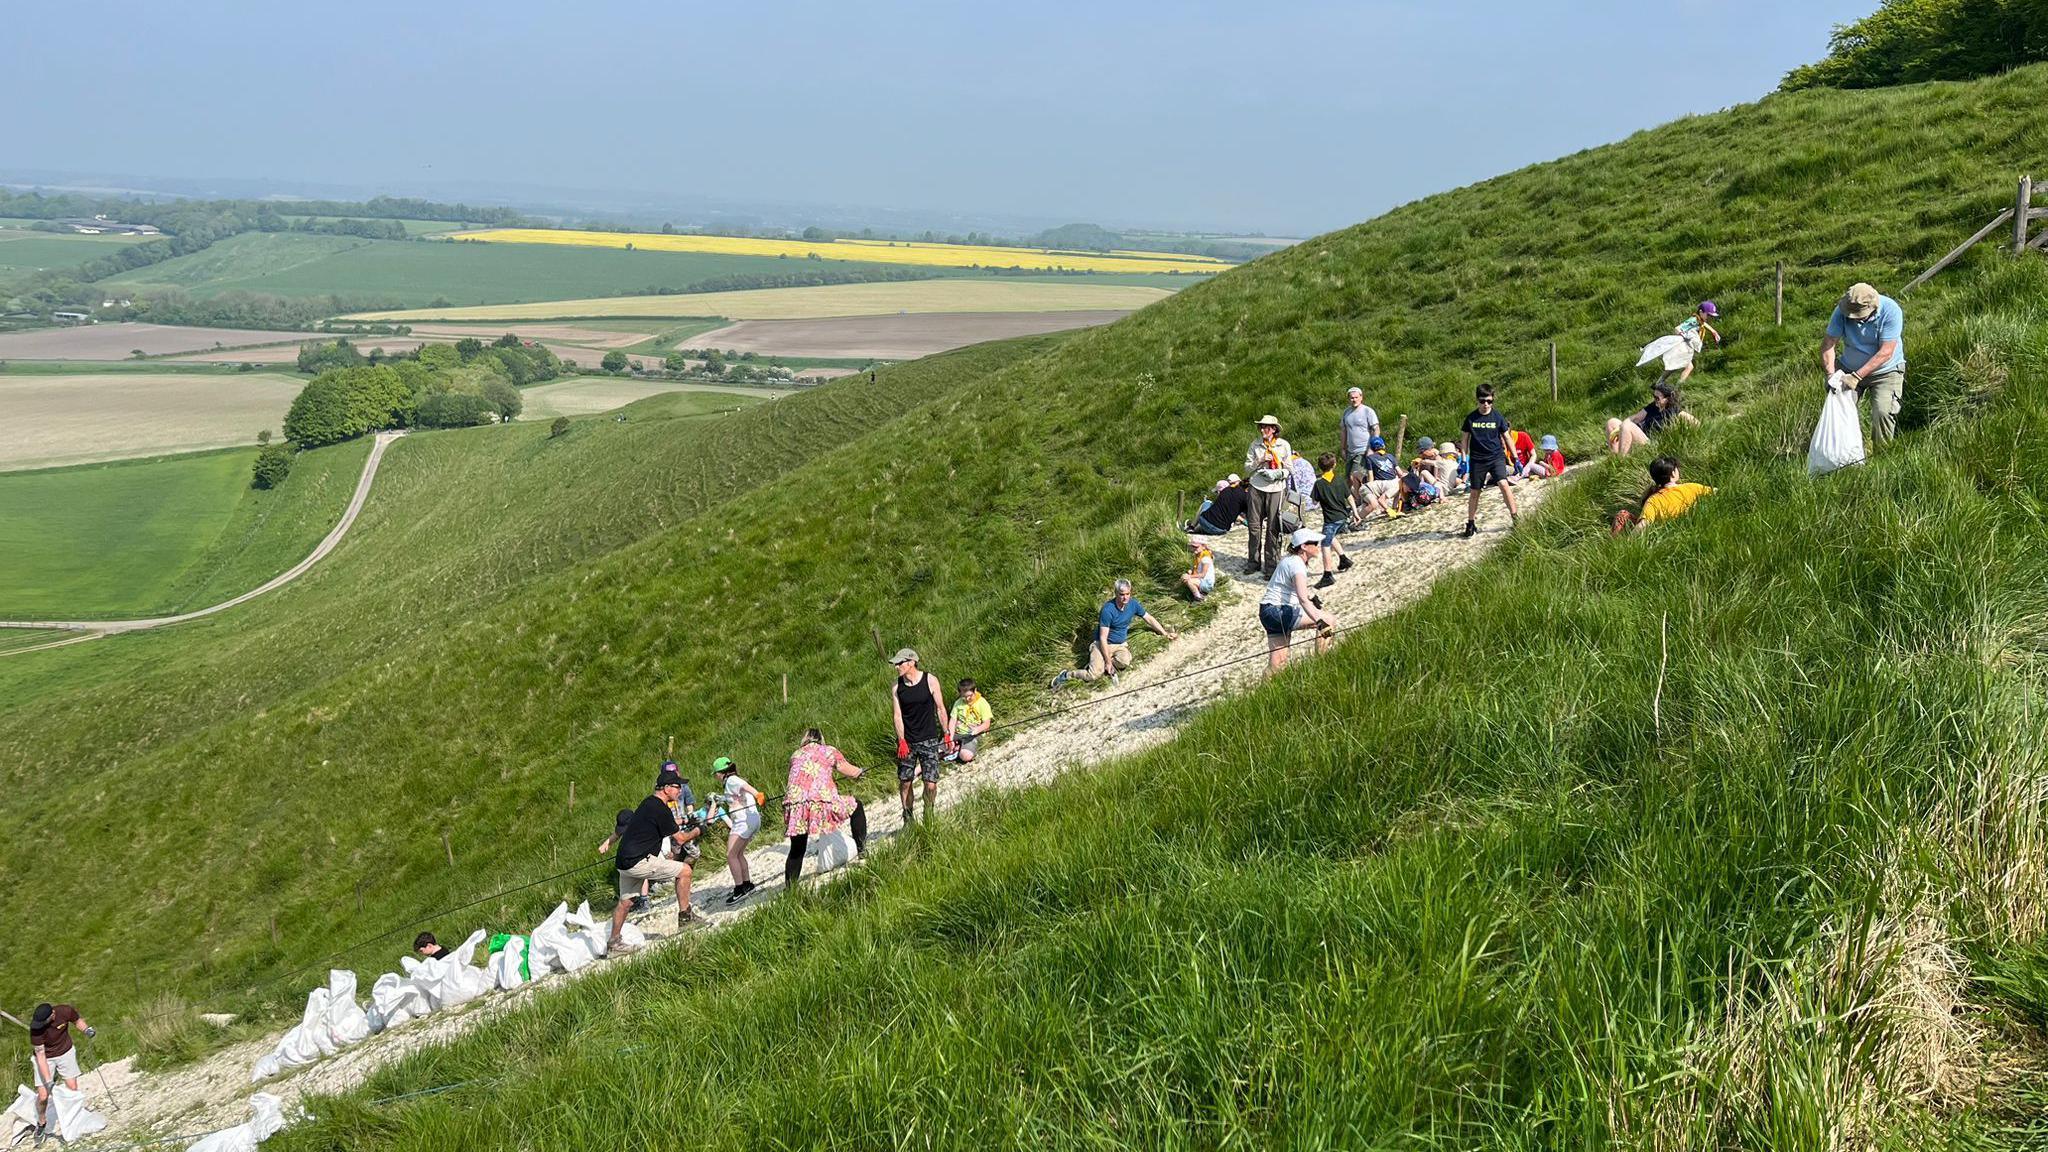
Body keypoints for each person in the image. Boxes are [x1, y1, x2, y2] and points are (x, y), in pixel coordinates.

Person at [609, 766, 701, 950]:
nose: (679, 790)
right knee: (685, 871)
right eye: (677, 786)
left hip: (623, 861)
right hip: (639, 861)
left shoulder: (648, 803)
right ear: (666, 788)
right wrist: (699, 829)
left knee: (626, 902)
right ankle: (686, 918)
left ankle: (613, 943)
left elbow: (666, 823)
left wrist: (684, 822)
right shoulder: (661, 809)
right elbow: (681, 839)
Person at [1053, 579, 1180, 689]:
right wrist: (1108, 661)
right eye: (1121, 594)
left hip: (1119, 644)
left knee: (1125, 661)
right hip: (1102, 644)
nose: (1125, 597)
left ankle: (1101, 665)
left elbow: (1149, 618)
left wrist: (1164, 633)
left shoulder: (1133, 604)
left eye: (1127, 594)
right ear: (1116, 593)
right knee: (1093, 675)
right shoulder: (1108, 610)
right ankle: (1067, 675)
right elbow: (1102, 638)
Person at [784, 728, 869, 890]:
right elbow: (849, 771)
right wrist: (860, 772)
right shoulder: (829, 751)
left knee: (797, 847)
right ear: (821, 739)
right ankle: (862, 851)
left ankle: (790, 889)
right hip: (821, 800)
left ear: (805, 740)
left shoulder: (795, 755)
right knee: (856, 806)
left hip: (795, 805)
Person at [1824, 281, 1906, 447]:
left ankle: (1881, 458)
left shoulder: (1891, 311)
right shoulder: (1842, 311)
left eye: (1858, 314)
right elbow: (1828, 344)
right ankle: (1845, 456)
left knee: (1883, 412)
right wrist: (1831, 375)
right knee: (1839, 410)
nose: (1853, 318)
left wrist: (1857, 376)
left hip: (1886, 371)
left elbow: (1885, 352)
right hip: (1848, 368)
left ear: (1873, 307)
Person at [1259, 528, 1337, 672]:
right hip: (1279, 611)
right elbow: (1302, 599)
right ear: (1304, 547)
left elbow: (1301, 591)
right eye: (1315, 543)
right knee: (1328, 620)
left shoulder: (1289, 560)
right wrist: (1320, 621)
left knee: (1278, 662)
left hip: (1267, 612)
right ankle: (1323, 666)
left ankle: (1264, 692)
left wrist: (1312, 597)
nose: (1318, 546)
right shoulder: (1297, 564)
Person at [890, 648, 951, 824]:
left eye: (899, 663)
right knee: (905, 781)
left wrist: (946, 733)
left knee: (930, 782)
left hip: (929, 738)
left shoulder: (930, 680)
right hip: (907, 742)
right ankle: (908, 816)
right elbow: (897, 715)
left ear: (911, 662)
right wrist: (901, 741)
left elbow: (940, 708)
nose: (896, 667)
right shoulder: (896, 687)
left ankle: (929, 813)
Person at [1459, 386, 1521, 538]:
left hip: (1496, 457)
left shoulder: (1497, 417)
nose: (1486, 404)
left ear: (1492, 400)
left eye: (1489, 401)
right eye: (1482, 401)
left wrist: (1516, 458)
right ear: (1477, 400)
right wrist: (1463, 459)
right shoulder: (1471, 418)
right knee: (1475, 492)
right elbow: (1465, 440)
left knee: (1504, 484)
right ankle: (1471, 523)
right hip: (1477, 460)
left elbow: (1507, 438)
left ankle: (1515, 518)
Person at [28, 1002, 92, 1136]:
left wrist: (86, 1029)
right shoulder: (36, 1029)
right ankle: (41, 1122)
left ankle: (74, 1118)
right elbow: (40, 1055)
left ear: (52, 1014)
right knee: (43, 1096)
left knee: (73, 1088)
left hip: (65, 1052)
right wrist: (48, 1081)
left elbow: (77, 1020)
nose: (39, 1026)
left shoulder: (65, 1011)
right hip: (46, 1058)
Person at [1242, 416, 1293, 575]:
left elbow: (1290, 468)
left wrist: (1279, 473)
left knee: (1273, 528)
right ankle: (1253, 562)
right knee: (1254, 527)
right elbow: (1247, 468)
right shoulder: (1255, 445)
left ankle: (1271, 566)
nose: (1263, 430)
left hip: (1276, 488)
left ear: (1274, 430)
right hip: (1257, 487)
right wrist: (1260, 460)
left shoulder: (1283, 445)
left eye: (1266, 427)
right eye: (1261, 427)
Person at [1614, 455, 1715, 532]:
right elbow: (1715, 491)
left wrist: (1628, 542)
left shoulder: (1654, 500)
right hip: (1689, 527)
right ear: (1673, 474)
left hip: (1661, 531)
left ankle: (1616, 545)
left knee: (1623, 514)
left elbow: (1643, 524)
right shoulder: (1692, 488)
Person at [713, 757, 764, 904]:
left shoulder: (731, 780)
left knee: (730, 855)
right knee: (738, 853)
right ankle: (747, 884)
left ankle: (739, 889)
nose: (715, 776)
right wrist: (722, 799)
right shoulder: (731, 781)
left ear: (721, 772)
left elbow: (744, 786)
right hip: (752, 820)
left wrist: (757, 794)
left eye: (715, 773)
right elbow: (735, 796)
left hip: (743, 822)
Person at [1607, 382, 1700, 454]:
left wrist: (1681, 435)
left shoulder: (1674, 411)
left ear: (1667, 399)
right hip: (1639, 432)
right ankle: (1614, 455)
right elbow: (1636, 417)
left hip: (1650, 442)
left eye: (1657, 398)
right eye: (1654, 397)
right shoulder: (1653, 406)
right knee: (1612, 422)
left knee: (1627, 426)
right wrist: (1623, 424)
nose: (1655, 400)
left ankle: (1622, 460)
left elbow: (1696, 423)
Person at [1309, 452, 1358, 588]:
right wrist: (1355, 512)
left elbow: (1313, 502)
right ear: (1334, 465)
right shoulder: (1340, 479)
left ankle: (1327, 574)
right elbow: (1349, 497)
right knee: (1331, 537)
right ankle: (1343, 559)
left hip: (1330, 519)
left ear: (1320, 467)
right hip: (1343, 516)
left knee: (1325, 544)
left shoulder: (1319, 484)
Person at [598, 808, 651, 912]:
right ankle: (633, 899)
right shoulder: (625, 829)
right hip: (629, 857)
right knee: (630, 876)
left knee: (642, 875)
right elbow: (616, 835)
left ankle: (644, 900)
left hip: (645, 854)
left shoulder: (642, 826)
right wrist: (606, 844)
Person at [1353, 435, 1403, 518]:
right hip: (1391, 480)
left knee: (1355, 474)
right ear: (1383, 446)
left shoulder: (1370, 458)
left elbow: (1371, 476)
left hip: (1378, 482)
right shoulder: (1390, 456)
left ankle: (1358, 501)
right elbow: (1399, 472)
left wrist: (1370, 487)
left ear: (1372, 448)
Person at [947, 679, 992, 763]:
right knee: (939, 748)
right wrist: (950, 737)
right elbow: (952, 721)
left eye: (970, 696)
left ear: (975, 690)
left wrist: (977, 730)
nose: (967, 699)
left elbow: (987, 723)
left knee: (966, 756)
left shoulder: (982, 703)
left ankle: (958, 750)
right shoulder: (958, 703)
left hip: (973, 734)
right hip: (958, 732)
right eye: (964, 696)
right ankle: (955, 748)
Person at [1340, 386, 1381, 477]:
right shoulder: (1346, 412)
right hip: (1350, 451)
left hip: (1363, 450)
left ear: (1361, 397)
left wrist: (1372, 448)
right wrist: (1342, 449)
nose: (1354, 400)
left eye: (1356, 397)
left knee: (1355, 477)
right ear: (1348, 399)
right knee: (1348, 478)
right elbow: (1343, 430)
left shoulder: (1368, 411)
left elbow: (1376, 429)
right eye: (1352, 398)